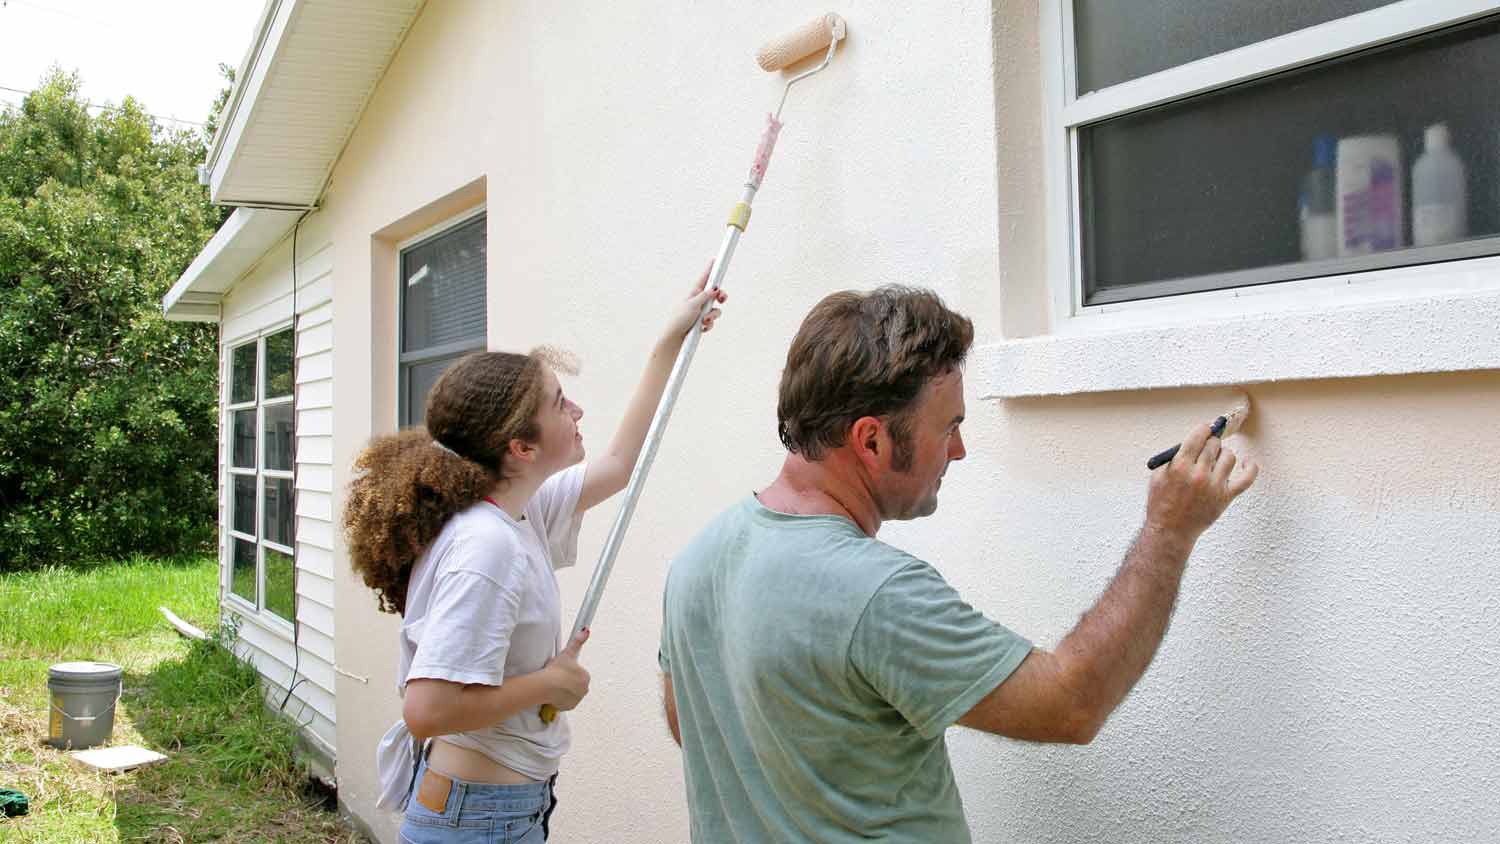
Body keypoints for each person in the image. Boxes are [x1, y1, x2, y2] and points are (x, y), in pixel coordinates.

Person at [658, 285, 1258, 843]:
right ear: (871, 441)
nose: (960, 450)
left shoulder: (696, 563)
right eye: (949, 428)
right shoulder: (876, 594)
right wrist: (1168, 529)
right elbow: (1072, 704)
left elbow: (692, 724)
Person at [344, 267, 726, 844]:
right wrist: (550, 684)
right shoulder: (488, 545)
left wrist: (671, 339)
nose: (576, 410)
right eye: (558, 404)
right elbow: (425, 708)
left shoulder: (518, 511)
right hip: (477, 820)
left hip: (493, 808)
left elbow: (621, 464)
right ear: (520, 448)